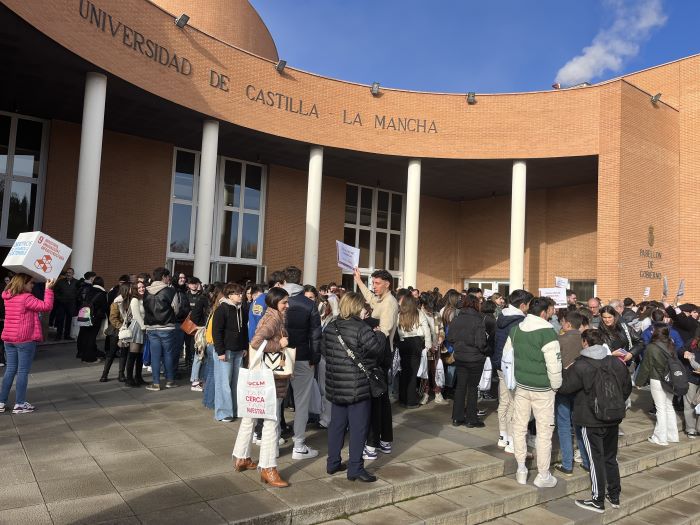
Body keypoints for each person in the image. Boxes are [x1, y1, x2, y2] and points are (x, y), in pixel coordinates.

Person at [559, 329, 632, 514]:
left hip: (590, 417)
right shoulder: (615, 362)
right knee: (610, 457)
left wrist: (561, 371)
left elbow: (566, 388)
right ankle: (614, 495)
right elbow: (626, 388)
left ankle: (597, 500)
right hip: (613, 416)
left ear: (585, 342)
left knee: (595, 459)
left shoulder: (581, 364)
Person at [232, 287, 292, 488]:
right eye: (284, 302)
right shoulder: (274, 319)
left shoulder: (270, 316)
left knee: (250, 416)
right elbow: (256, 342)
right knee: (270, 422)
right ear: (275, 303)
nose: (287, 305)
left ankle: (241, 457)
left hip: (260, 376)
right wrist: (280, 344)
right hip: (270, 379)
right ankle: (268, 467)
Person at [322, 292, 385, 482]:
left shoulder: (330, 327)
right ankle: (355, 468)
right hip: (357, 385)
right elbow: (377, 351)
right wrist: (380, 335)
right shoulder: (362, 328)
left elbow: (324, 351)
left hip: (336, 383)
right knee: (358, 428)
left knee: (337, 425)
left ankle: (332, 463)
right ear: (357, 307)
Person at [506, 297, 562, 488]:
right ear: (544, 312)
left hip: (522, 386)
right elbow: (554, 365)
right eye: (551, 309)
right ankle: (543, 474)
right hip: (543, 389)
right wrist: (556, 386)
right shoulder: (547, 332)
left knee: (519, 427)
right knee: (544, 432)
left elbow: (507, 358)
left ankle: (521, 468)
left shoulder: (515, 331)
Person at [353, 268, 398, 461]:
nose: (374, 287)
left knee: (378, 399)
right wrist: (360, 282)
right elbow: (371, 299)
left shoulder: (390, 303)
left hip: (380, 352)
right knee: (382, 398)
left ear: (387, 283)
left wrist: (368, 322)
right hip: (379, 351)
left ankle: (373, 444)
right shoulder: (381, 299)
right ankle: (385, 440)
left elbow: (384, 330)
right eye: (373, 283)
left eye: (377, 283)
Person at [282, 266, 322, 460]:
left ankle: (272, 441)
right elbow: (315, 334)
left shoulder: (275, 300)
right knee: (301, 402)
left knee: (277, 401)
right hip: (303, 355)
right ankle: (298, 444)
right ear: (300, 280)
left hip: (279, 356)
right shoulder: (308, 304)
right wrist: (315, 358)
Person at [0, 274, 55, 414]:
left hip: (8, 338)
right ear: (23, 283)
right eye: (31, 283)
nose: (33, 285)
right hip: (24, 339)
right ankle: (19, 404)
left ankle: (1, 402)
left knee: (10, 370)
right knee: (22, 371)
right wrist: (48, 289)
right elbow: (46, 306)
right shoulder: (26, 298)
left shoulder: (8, 296)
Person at [493, 289, 533, 453]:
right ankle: (511, 440)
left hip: (500, 364)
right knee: (514, 403)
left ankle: (503, 436)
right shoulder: (519, 322)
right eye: (529, 304)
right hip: (513, 366)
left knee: (504, 401)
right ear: (523, 305)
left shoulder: (502, 317)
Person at [553, 311, 589, 476]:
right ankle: (587, 461)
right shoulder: (584, 340)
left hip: (563, 385)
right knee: (580, 424)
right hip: (581, 386)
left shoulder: (559, 340)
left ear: (567, 324)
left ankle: (568, 464)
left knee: (564, 424)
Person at [448, 294, 489, 427]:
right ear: (476, 304)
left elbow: (451, 337)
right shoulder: (478, 320)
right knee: (472, 388)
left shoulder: (457, 319)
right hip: (475, 358)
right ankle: (471, 419)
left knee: (460, 387)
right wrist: (485, 350)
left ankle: (457, 417)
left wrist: (460, 346)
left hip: (460, 356)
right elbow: (481, 343)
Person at [636, 325, 680, 446]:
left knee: (660, 408)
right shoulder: (671, 344)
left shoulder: (651, 347)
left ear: (655, 332)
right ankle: (673, 435)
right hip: (670, 379)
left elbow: (646, 366)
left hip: (657, 379)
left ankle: (661, 438)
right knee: (669, 406)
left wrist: (639, 382)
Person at [212, 283, 247, 422]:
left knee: (237, 382)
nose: (241, 295)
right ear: (229, 295)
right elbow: (217, 332)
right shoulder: (221, 310)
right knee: (223, 383)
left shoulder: (242, 310)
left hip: (238, 351)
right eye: (238, 293)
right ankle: (223, 412)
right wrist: (220, 351)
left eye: (241, 293)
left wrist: (244, 347)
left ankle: (235, 409)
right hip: (225, 351)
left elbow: (243, 330)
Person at [143, 267, 181, 391]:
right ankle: (170, 380)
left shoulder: (146, 291)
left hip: (151, 327)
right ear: (164, 277)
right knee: (168, 354)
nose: (169, 279)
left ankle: (156, 383)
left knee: (155, 356)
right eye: (167, 277)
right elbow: (176, 309)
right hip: (167, 327)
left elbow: (144, 310)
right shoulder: (170, 291)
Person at [396, 294, 432, 408]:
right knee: (412, 374)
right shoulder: (418, 313)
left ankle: (402, 398)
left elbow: (396, 329)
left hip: (403, 343)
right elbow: (426, 329)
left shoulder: (400, 314)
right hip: (416, 343)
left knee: (404, 372)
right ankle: (411, 401)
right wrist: (428, 345)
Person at [100, 283, 131, 382]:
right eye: (130, 289)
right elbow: (113, 318)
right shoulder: (116, 302)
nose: (132, 290)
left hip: (126, 331)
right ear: (126, 290)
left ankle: (121, 374)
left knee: (124, 353)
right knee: (111, 353)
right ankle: (104, 374)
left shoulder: (131, 301)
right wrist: (122, 327)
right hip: (116, 330)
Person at [419, 293, 446, 405]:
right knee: (425, 371)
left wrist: (440, 339)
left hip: (436, 347)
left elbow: (441, 329)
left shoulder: (437, 315)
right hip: (424, 349)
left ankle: (438, 393)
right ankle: (425, 393)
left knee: (436, 371)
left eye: (432, 307)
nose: (430, 309)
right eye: (428, 307)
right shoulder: (419, 314)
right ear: (423, 305)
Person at [76, 277, 108, 363]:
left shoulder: (88, 291)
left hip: (84, 315)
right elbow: (104, 307)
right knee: (91, 338)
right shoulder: (102, 293)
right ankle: (89, 358)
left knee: (83, 335)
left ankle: (81, 354)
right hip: (95, 318)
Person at [125, 281, 147, 387]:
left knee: (140, 355)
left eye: (143, 287)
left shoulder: (144, 299)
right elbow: (136, 315)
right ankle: (129, 379)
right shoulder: (135, 300)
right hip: (137, 327)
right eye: (139, 288)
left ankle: (138, 377)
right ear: (135, 289)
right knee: (133, 354)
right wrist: (143, 327)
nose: (142, 289)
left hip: (144, 328)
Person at [52, 267, 79, 341]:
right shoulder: (60, 282)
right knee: (60, 320)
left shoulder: (77, 282)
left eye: (70, 272)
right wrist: (59, 299)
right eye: (67, 272)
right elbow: (55, 292)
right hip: (61, 304)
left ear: (73, 274)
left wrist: (74, 298)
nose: (68, 274)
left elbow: (79, 292)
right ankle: (58, 336)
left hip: (71, 304)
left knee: (69, 320)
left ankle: (67, 335)